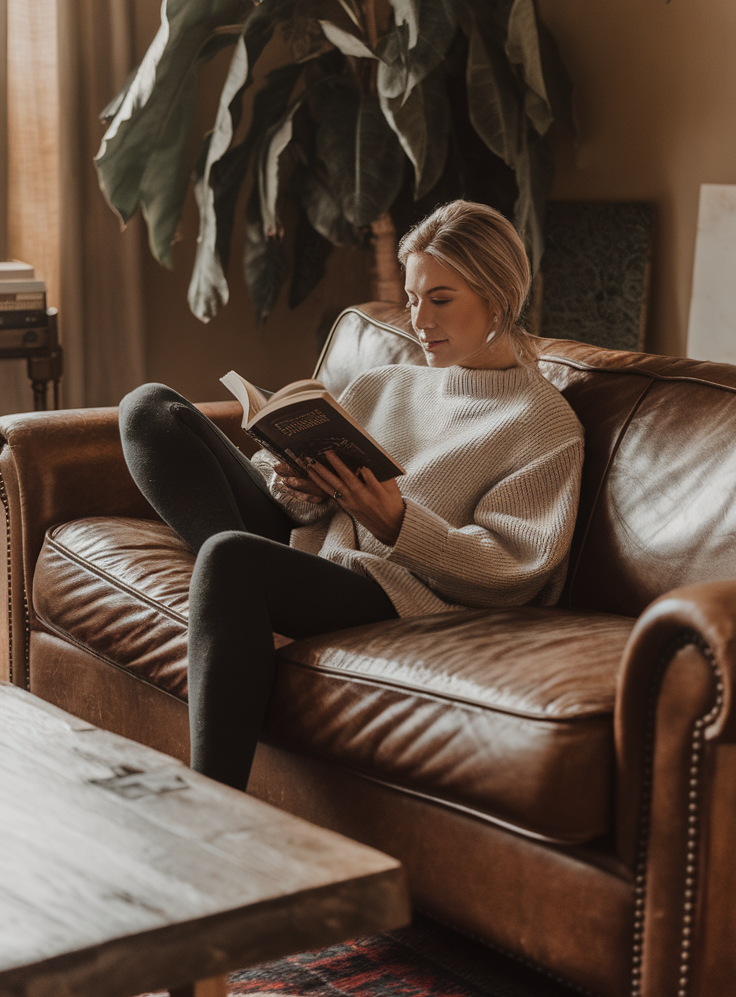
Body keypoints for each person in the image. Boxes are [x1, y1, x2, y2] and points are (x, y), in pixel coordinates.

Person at [119, 201, 584, 793]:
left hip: (395, 592)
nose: (419, 319)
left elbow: (515, 569)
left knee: (229, 559)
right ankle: (244, 604)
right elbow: (281, 480)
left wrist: (397, 523)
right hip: (319, 548)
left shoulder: (544, 425)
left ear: (498, 298)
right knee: (151, 411)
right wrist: (300, 486)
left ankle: (213, 800)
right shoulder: (387, 382)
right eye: (413, 299)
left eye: (440, 299)